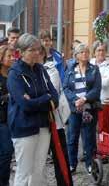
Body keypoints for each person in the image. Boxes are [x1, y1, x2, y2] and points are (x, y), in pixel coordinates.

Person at [7, 33, 58, 186]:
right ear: (21, 52)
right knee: (24, 171)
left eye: (38, 49)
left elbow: (54, 95)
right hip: (24, 127)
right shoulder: (14, 74)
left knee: (39, 169)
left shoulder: (41, 70)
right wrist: (45, 98)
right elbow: (25, 105)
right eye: (32, 50)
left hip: (43, 124)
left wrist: (40, 99)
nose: (37, 53)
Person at [63, 43, 101, 174]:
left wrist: (84, 99)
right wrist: (75, 100)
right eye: (82, 52)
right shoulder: (70, 69)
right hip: (74, 110)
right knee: (72, 137)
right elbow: (65, 88)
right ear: (76, 55)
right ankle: (72, 164)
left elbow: (96, 89)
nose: (85, 54)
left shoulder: (94, 69)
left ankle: (90, 164)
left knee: (89, 137)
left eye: (86, 52)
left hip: (89, 109)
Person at [38, 46, 73, 186]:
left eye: (38, 52)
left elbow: (51, 95)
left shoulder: (50, 69)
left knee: (60, 158)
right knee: (38, 162)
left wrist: (33, 99)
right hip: (36, 124)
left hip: (54, 121)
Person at [0, 45, 15, 186]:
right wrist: (8, 97)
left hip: (13, 118)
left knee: (7, 154)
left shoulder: (13, 73)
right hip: (2, 119)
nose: (12, 58)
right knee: (6, 151)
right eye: (8, 56)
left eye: (13, 56)